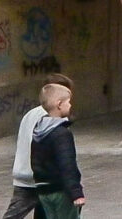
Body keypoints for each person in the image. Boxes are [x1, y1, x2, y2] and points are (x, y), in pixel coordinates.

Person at [0, 77, 63, 219]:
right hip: (41, 178)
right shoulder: (50, 118)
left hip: (24, 172)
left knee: (15, 214)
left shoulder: (31, 113)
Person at [28, 81, 84, 217]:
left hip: (43, 189)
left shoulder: (38, 129)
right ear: (59, 104)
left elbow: (35, 160)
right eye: (68, 102)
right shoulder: (62, 133)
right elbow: (67, 163)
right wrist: (76, 192)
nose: (70, 105)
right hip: (60, 189)